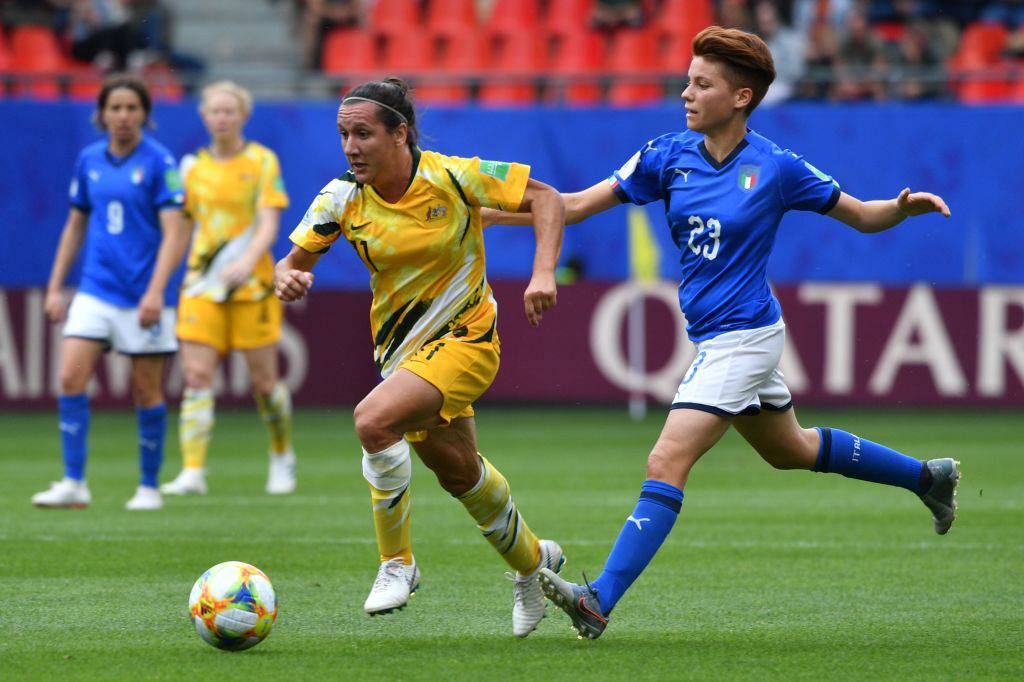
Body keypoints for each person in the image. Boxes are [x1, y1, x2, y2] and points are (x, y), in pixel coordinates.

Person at [487, 26, 958, 640]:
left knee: (667, 458)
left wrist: (900, 207)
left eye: (701, 84)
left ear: (740, 98)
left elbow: (862, 215)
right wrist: (489, 213)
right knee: (792, 450)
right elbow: (572, 205)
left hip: (747, 336)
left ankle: (598, 599)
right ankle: (928, 478)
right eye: (688, 79)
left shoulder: (777, 167)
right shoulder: (665, 154)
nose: (686, 92)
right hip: (715, 338)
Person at [274, 77, 566, 636]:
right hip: (402, 355)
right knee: (461, 476)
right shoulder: (341, 198)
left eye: (362, 133)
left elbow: (546, 198)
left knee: (372, 420)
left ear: (400, 133)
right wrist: (288, 277)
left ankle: (396, 563)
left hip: (468, 339)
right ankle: (533, 566)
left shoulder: (453, 176)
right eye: (343, 134)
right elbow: (290, 262)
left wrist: (543, 273)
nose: (350, 146)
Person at [32, 73, 189, 511]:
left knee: (146, 392)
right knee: (69, 378)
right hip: (95, 289)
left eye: (131, 108)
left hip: (143, 293)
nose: (122, 116)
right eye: (115, 108)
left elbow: (175, 232)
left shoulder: (160, 163)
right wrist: (55, 285)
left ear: (145, 114)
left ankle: (148, 486)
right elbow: (75, 224)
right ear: (101, 113)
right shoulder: (89, 160)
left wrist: (157, 292)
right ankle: (73, 482)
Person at [160, 81, 296, 497]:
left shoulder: (261, 161)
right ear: (203, 117)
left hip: (252, 284)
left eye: (229, 112)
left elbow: (269, 222)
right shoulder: (189, 169)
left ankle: (281, 455)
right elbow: (180, 231)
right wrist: (161, 282)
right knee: (197, 377)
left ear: (243, 116)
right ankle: (193, 471)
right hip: (202, 284)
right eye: (214, 112)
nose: (221, 118)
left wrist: (246, 259)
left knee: (264, 383)